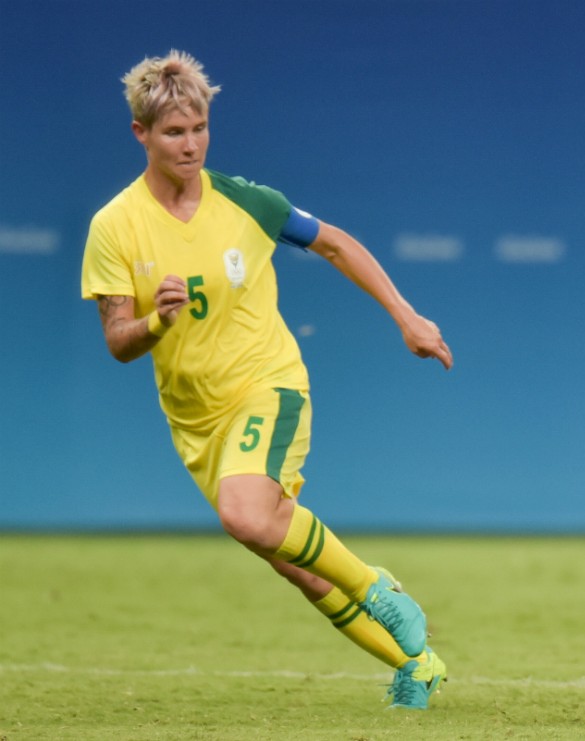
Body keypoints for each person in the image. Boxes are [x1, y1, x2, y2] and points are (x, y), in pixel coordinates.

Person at [80, 51, 451, 709]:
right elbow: (117, 340)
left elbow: (335, 243)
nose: (190, 144)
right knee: (295, 564)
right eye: (173, 132)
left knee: (247, 515)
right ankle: (415, 665)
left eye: (198, 128)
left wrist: (407, 314)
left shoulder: (247, 202)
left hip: (268, 384)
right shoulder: (113, 226)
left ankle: (379, 590)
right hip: (197, 422)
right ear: (141, 134)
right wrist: (156, 324)